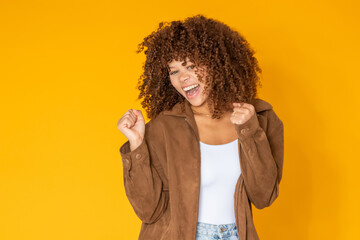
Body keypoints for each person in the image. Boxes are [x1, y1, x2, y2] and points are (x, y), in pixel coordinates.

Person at [117, 14, 284, 240]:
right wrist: (136, 145)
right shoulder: (163, 128)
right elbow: (148, 210)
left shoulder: (259, 119)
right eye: (174, 71)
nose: (183, 78)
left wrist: (249, 131)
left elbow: (264, 196)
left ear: (216, 64)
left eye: (191, 66)